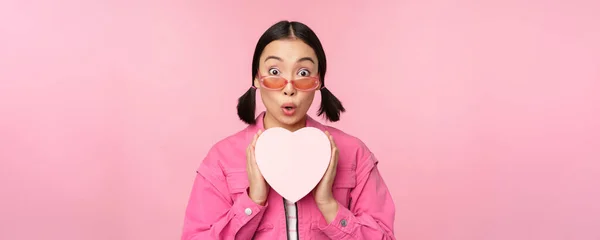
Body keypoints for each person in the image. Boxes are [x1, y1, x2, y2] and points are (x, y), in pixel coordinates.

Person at [181, 20, 396, 239]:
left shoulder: (354, 154)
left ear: (319, 80)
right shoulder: (221, 159)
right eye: (274, 71)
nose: (289, 88)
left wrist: (328, 204)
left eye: (303, 73)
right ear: (256, 77)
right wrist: (253, 202)